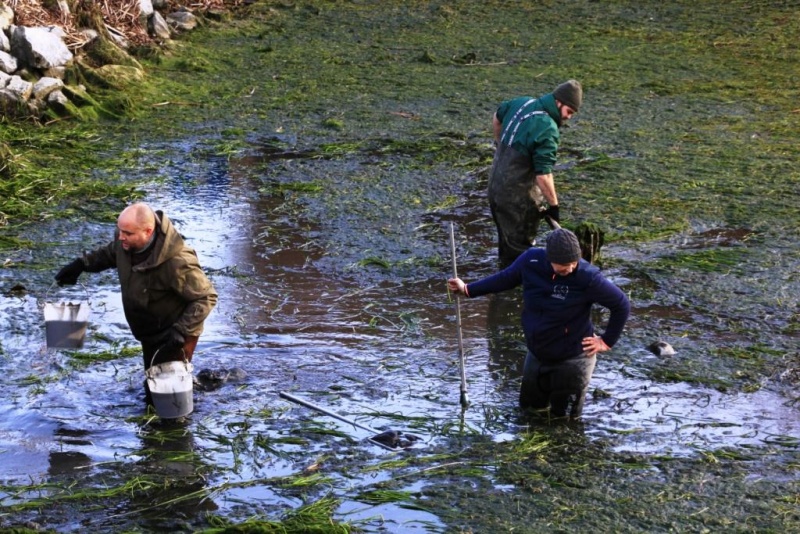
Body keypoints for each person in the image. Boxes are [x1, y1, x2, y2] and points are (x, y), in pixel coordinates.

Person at [448, 228, 629, 419]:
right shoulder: (531, 261)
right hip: (537, 355)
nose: (569, 268)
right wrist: (468, 289)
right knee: (529, 412)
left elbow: (621, 304)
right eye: (563, 265)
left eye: (573, 263)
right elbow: (504, 279)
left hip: (573, 360)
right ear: (549, 259)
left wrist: (606, 341)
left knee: (564, 421)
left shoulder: (588, 277)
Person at [54, 202, 218, 404]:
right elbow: (110, 253)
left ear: (148, 231)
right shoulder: (125, 242)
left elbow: (206, 297)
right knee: (153, 389)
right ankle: (196, 384)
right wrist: (81, 265)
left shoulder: (178, 262)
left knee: (169, 400)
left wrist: (181, 330)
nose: (121, 236)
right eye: (120, 230)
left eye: (127, 233)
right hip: (149, 330)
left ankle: (191, 408)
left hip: (174, 335)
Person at [489, 79, 583, 266]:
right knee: (521, 253)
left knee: (506, 245)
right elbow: (543, 175)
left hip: (494, 188)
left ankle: (503, 277)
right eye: (569, 111)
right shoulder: (547, 128)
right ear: (559, 102)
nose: (569, 117)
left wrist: (499, 144)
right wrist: (554, 206)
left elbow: (497, 117)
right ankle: (515, 283)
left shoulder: (522, 102)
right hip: (517, 200)